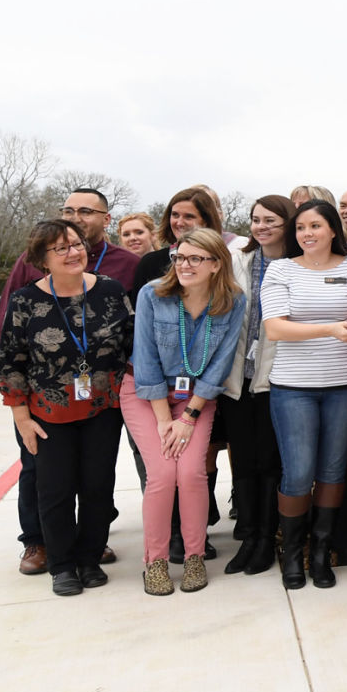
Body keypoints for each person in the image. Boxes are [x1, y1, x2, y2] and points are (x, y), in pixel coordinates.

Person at [0, 189, 138, 576]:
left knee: (97, 487)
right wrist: (21, 417)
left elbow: (131, 344)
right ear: (42, 260)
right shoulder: (26, 301)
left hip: (103, 407)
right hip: (47, 412)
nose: (74, 252)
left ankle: (89, 560)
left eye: (76, 244)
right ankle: (60, 566)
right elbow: (11, 362)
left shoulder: (109, 290)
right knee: (53, 491)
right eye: (61, 248)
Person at [123, 229, 246, 595]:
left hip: (195, 399)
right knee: (161, 473)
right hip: (146, 395)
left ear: (215, 264)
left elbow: (221, 363)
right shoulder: (153, 294)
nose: (184, 265)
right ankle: (155, 562)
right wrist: (165, 422)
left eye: (195, 258)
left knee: (192, 472)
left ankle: (194, 556)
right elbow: (143, 359)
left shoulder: (231, 300)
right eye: (180, 257)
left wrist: (188, 417)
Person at [260, 200, 347, 591]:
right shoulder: (281, 269)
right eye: (302, 227)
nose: (307, 233)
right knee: (299, 472)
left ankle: (321, 554)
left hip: (343, 385)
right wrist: (330, 329)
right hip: (294, 388)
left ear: (332, 230)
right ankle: (293, 554)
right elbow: (275, 328)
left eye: (316, 226)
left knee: (332, 473)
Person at [218, 195, 295, 576]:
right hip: (237, 377)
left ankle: (267, 538)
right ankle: (248, 535)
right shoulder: (238, 260)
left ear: (287, 224)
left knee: (270, 462)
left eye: (270, 221)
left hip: (277, 376)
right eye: (255, 220)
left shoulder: (297, 265)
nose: (261, 227)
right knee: (244, 462)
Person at [131, 187, 224, 299]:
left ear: (206, 221)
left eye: (189, 216)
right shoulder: (150, 263)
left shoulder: (220, 261)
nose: (179, 223)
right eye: (175, 215)